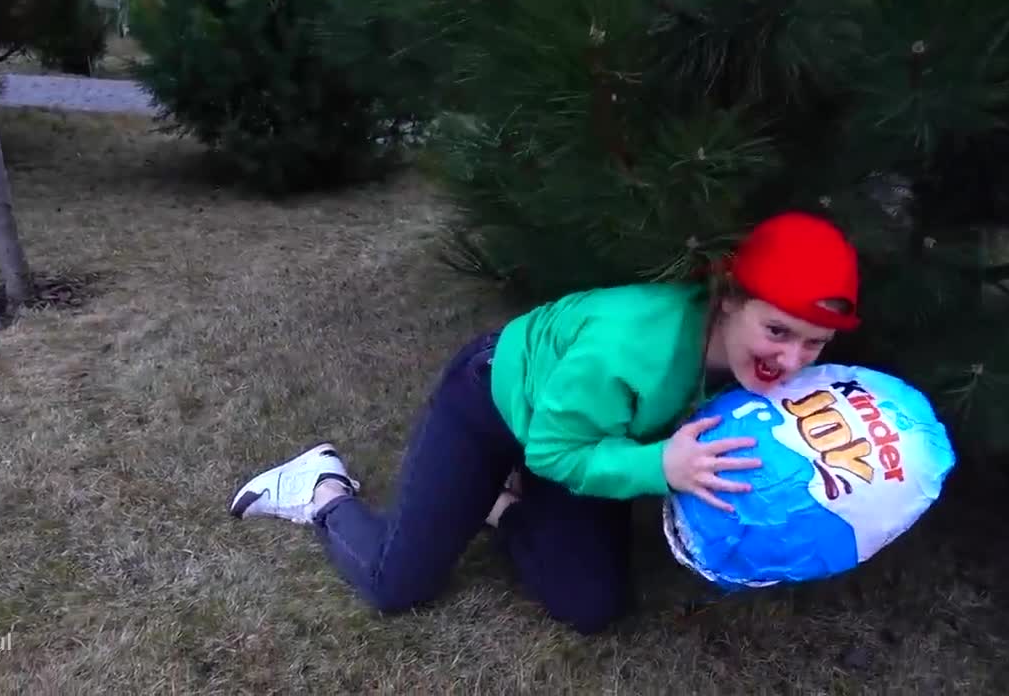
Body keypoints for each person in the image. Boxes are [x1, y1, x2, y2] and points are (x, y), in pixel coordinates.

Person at [226, 210, 861, 634]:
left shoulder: (765, 364)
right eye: (777, 331)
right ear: (728, 299)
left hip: (593, 432)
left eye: (815, 343)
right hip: (497, 403)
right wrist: (659, 465)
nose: (791, 361)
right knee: (395, 584)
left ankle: (498, 505)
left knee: (593, 607)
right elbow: (556, 453)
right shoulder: (630, 347)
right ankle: (320, 489)